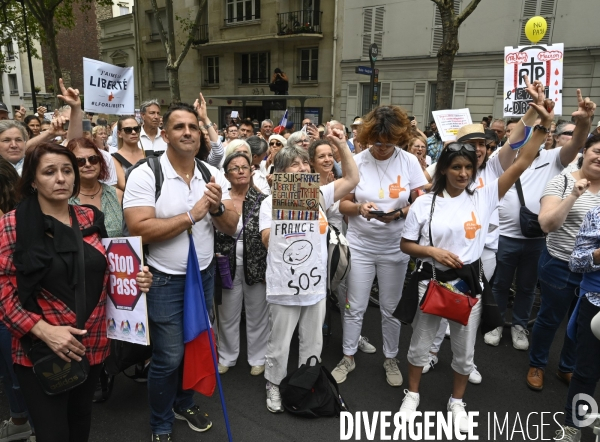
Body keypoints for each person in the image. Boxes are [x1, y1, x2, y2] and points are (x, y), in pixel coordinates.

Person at [398, 84, 554, 432]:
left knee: (464, 351)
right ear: (443, 169)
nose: (463, 173)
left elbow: (523, 157)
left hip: (469, 286)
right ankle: (412, 394)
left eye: (468, 167)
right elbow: (406, 245)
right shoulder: (424, 202)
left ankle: (457, 401)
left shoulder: (485, 196)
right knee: (420, 345)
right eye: (456, 167)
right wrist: (432, 251)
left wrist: (542, 124)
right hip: (431, 283)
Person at [0, 142, 152, 442]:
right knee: (54, 434)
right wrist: (43, 331)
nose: (61, 178)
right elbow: (4, 292)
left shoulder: (88, 217)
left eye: (67, 171)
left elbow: (106, 269)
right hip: (41, 350)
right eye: (49, 171)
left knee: (80, 425)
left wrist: (136, 279)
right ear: (32, 180)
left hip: (92, 343)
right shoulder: (12, 224)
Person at [123, 99, 238, 441]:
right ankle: (160, 422)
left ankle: (183, 402)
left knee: (195, 346)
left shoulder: (210, 173)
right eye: (179, 127)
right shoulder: (147, 173)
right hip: (162, 279)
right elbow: (138, 229)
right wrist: (192, 215)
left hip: (202, 275)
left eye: (193, 127)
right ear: (165, 134)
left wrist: (216, 208)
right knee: (169, 356)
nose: (188, 132)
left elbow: (231, 227)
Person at [259, 125, 359, 413]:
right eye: (295, 163)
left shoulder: (321, 195)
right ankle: (274, 384)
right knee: (279, 341)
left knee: (313, 340)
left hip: (314, 283)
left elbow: (352, 178)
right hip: (285, 284)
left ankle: (307, 383)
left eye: (305, 161)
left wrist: (342, 146)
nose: (303, 167)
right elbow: (268, 241)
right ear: (281, 171)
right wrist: (288, 205)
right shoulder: (270, 202)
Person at [486, 89, 595, 351]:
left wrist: (585, 121)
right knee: (500, 284)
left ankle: (520, 325)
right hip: (503, 235)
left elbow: (578, 142)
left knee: (526, 287)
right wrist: (534, 113)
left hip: (536, 239)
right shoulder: (501, 158)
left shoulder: (552, 158)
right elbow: (514, 141)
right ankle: (497, 323)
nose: (529, 136)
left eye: (537, 131)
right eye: (523, 132)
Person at [333, 106, 429, 386]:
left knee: (390, 307)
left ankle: (390, 357)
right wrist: (360, 208)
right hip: (360, 246)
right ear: (368, 137)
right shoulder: (357, 161)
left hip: (395, 248)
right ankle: (348, 356)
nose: (383, 148)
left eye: (389, 144)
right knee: (354, 305)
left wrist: (399, 213)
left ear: (399, 139)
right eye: (378, 143)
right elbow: (344, 203)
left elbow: (421, 200)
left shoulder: (410, 161)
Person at [526, 133, 600, 391]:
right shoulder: (562, 181)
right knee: (550, 318)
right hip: (560, 265)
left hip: (594, 272)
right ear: (585, 151)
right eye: (597, 150)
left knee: (583, 322)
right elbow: (546, 224)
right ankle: (537, 364)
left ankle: (567, 367)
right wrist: (573, 196)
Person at [216, 152, 269, 376]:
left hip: (256, 264)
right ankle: (227, 356)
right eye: (235, 168)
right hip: (226, 264)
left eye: (244, 167)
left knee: (258, 313)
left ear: (251, 171)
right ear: (226, 175)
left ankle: (258, 357)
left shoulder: (263, 199)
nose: (240, 171)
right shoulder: (220, 201)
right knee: (227, 314)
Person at [552, 202, 600, 441]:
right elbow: (575, 262)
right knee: (586, 370)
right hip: (596, 302)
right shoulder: (597, 213)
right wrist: (598, 254)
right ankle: (572, 427)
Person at [0, 157, 32, 441]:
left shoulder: (13, 220)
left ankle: (37, 427)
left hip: (12, 310)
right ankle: (20, 418)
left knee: (20, 373)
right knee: (10, 375)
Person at [67, 137, 123, 238]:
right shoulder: (64, 199)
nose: (88, 164)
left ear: (100, 162)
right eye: (80, 161)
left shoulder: (117, 195)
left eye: (93, 159)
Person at [112, 116, 145, 191]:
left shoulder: (148, 154)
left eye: (136, 129)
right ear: (119, 134)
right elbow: (124, 185)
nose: (133, 132)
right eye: (128, 130)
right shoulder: (115, 158)